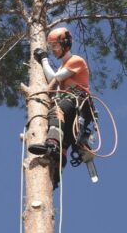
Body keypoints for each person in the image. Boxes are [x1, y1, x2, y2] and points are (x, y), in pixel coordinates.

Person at [27, 27, 93, 160]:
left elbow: (53, 79)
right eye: (51, 46)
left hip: (78, 102)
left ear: (65, 44)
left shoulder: (76, 60)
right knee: (65, 141)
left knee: (56, 111)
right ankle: (57, 169)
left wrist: (44, 59)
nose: (53, 50)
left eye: (55, 45)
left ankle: (52, 144)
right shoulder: (62, 67)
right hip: (70, 107)